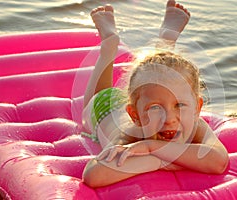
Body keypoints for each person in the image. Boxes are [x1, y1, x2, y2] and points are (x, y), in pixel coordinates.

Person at [82, 0, 228, 188]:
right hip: (103, 109)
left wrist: (152, 148)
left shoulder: (195, 125)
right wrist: (163, 161)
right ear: (135, 116)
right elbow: (94, 175)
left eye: (180, 105)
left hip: (142, 100)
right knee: (97, 97)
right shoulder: (129, 135)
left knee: (165, 77)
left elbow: (219, 161)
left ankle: (166, 42)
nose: (169, 119)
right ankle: (109, 48)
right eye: (156, 109)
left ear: (197, 108)